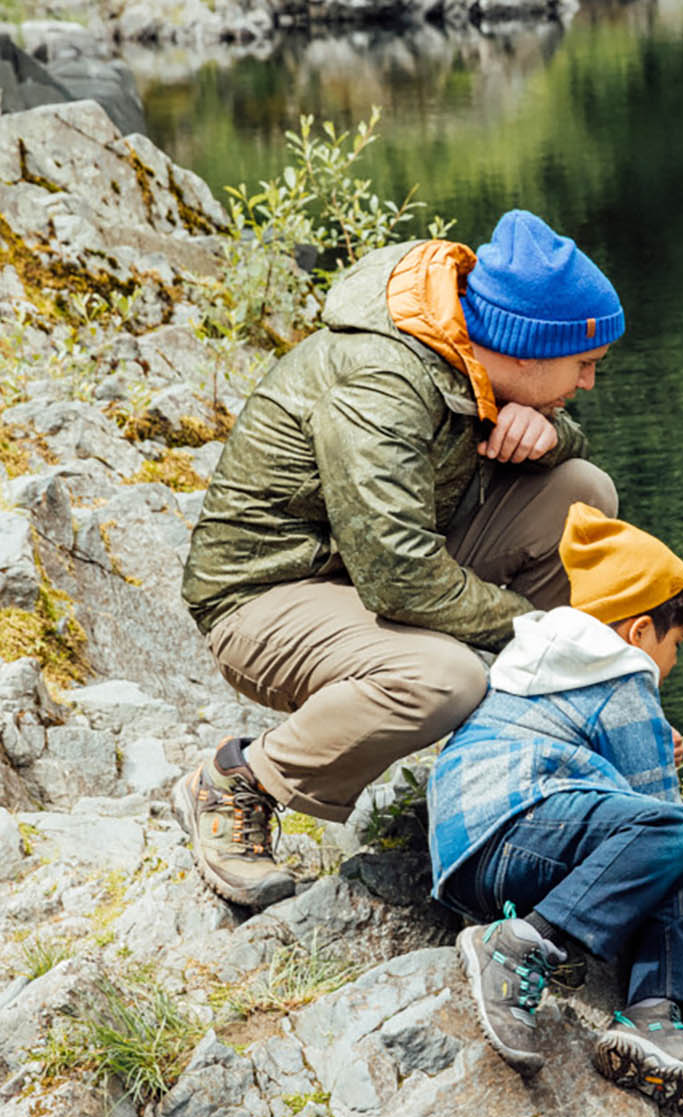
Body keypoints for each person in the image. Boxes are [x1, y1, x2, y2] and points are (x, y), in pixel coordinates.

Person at [175, 210, 625, 908]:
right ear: (530, 351)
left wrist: (547, 427)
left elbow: (540, 448)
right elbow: (401, 579)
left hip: (362, 571)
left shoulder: (469, 355)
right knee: (442, 678)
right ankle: (240, 780)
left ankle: (525, 753)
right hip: (266, 598)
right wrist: (550, 642)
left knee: (582, 498)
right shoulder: (382, 383)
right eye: (584, 365)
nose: (591, 382)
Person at [427, 503, 683, 1117]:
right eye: (676, 642)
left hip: (466, 861)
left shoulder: (536, 661)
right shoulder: (624, 675)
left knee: (669, 848)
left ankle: (649, 1017)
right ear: (638, 632)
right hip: (519, 831)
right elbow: (663, 823)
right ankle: (531, 951)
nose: (674, 663)